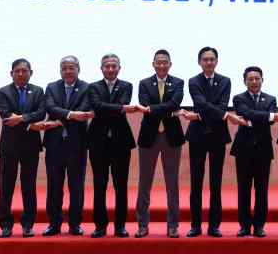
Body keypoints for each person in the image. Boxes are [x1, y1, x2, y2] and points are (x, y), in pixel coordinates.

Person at [185, 47, 244, 238]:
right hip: (197, 136)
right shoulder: (193, 81)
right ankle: (195, 225)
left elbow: (220, 104)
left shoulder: (225, 81)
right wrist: (225, 115)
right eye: (205, 59)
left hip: (218, 136)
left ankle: (214, 226)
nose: (209, 62)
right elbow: (201, 103)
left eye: (212, 59)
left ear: (216, 61)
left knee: (216, 182)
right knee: (196, 181)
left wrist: (202, 115)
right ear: (199, 62)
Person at [231, 66, 278, 237]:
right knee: (244, 189)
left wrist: (261, 117)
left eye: (257, 78)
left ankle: (259, 225)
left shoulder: (271, 99)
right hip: (243, 149)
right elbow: (245, 113)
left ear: (262, 80)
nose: (254, 81)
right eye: (250, 79)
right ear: (244, 81)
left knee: (262, 189)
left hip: (263, 150)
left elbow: (267, 120)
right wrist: (267, 116)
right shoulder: (238, 98)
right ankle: (244, 225)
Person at [134, 49, 185, 238]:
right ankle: (142, 225)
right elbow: (147, 104)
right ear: (153, 64)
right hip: (149, 137)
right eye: (159, 62)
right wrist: (170, 111)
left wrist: (154, 109)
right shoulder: (144, 83)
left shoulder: (178, 82)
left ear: (170, 64)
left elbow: (175, 103)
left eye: (165, 62)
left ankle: (173, 225)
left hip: (172, 137)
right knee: (144, 182)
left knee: (172, 183)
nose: (162, 65)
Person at [42, 56, 94, 236]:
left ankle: (74, 224)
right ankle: (54, 224)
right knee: (54, 185)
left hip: (77, 145)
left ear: (78, 69)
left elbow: (86, 109)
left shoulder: (88, 88)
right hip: (54, 145)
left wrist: (63, 115)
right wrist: (72, 114)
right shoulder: (51, 87)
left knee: (76, 186)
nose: (68, 71)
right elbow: (50, 107)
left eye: (71, 68)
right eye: (64, 68)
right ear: (60, 70)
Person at [87, 53, 137, 238]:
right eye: (106, 66)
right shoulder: (92, 87)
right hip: (97, 142)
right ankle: (100, 226)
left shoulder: (127, 86)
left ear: (119, 68)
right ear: (101, 69)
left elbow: (115, 105)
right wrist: (117, 109)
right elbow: (97, 107)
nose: (110, 69)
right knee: (99, 185)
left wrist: (111, 108)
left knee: (120, 185)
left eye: (113, 66)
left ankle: (120, 226)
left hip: (121, 142)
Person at [0, 59, 48, 238]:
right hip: (8, 146)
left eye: (24, 71)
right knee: (6, 186)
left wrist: (20, 119)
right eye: (17, 71)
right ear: (11, 73)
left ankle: (28, 224)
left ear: (30, 72)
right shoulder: (3, 91)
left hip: (31, 146)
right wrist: (28, 122)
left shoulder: (38, 91)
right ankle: (5, 224)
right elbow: (5, 115)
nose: (20, 74)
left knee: (29, 186)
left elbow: (41, 113)